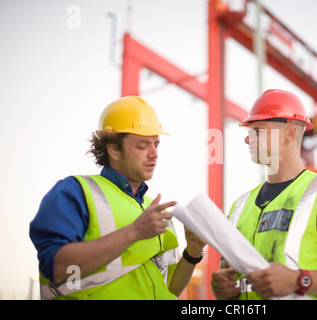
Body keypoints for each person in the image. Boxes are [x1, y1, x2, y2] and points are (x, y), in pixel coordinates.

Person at [29, 96, 205, 300]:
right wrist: (134, 232)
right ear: (113, 149)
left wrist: (192, 252)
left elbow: (170, 288)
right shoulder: (76, 192)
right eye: (143, 145)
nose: (154, 153)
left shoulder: (155, 209)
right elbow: (58, 268)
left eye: (156, 144)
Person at [211, 89, 317, 300]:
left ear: (289, 134)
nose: (247, 140)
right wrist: (221, 287)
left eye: (257, 131)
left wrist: (299, 280)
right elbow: (227, 274)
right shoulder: (239, 207)